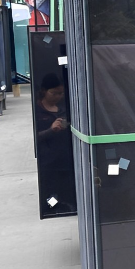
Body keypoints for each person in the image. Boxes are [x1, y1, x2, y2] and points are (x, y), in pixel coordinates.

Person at [35, 72, 76, 214]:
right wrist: (51, 130)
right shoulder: (38, 111)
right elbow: (35, 138)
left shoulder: (64, 109)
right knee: (50, 193)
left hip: (65, 159)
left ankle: (66, 206)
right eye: (54, 93)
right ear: (44, 91)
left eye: (61, 93)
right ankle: (52, 207)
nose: (58, 96)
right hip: (48, 162)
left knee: (65, 188)